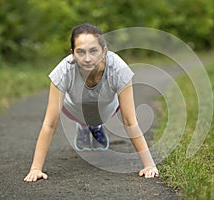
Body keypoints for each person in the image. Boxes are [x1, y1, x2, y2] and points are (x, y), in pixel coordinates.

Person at [24, 23, 159, 182]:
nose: (87, 58)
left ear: (104, 51)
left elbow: (130, 120)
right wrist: (35, 168)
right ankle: (83, 125)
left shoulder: (119, 69)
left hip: (107, 107)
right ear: (72, 53)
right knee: (82, 115)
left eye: (93, 51)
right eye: (80, 52)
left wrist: (149, 164)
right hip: (74, 107)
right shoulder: (63, 71)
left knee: (97, 117)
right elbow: (50, 123)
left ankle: (95, 125)